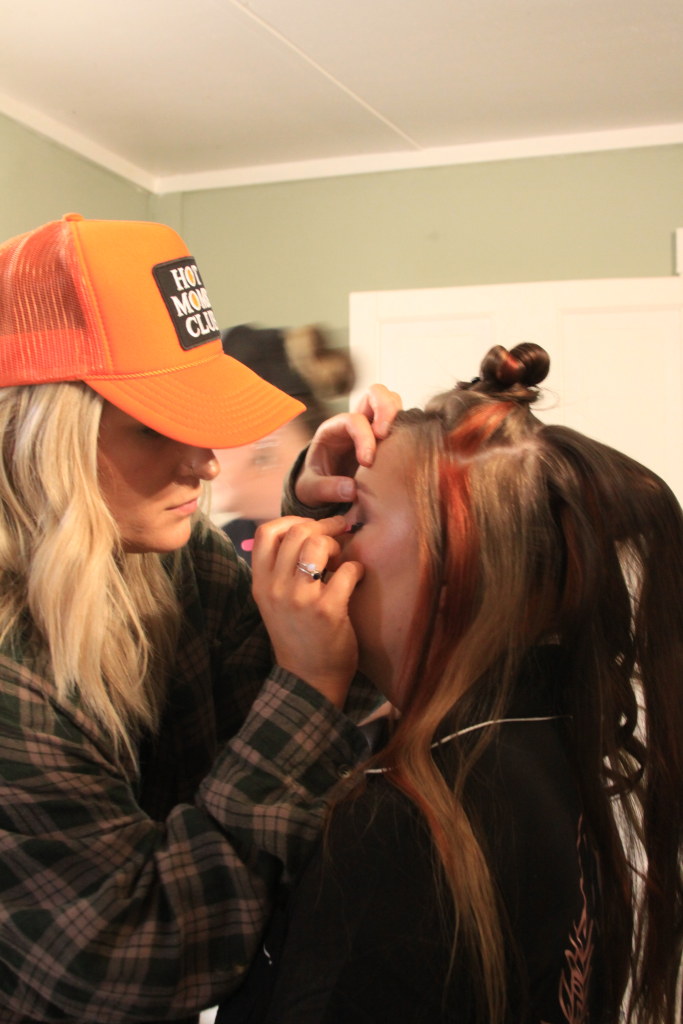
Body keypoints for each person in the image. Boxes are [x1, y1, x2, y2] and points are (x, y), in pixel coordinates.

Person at [0, 213, 399, 1024]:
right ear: (41, 435)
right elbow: (129, 958)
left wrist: (309, 519)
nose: (207, 463)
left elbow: (263, 689)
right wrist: (309, 688)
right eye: (157, 426)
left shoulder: (163, 553)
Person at [219, 342, 683, 1024]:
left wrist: (304, 681)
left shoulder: (403, 826)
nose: (327, 540)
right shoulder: (541, 743)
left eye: (357, 517)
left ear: (455, 571)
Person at [212, 323, 355, 564]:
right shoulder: (221, 551)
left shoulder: (357, 533)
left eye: (213, 428)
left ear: (266, 434)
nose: (197, 452)